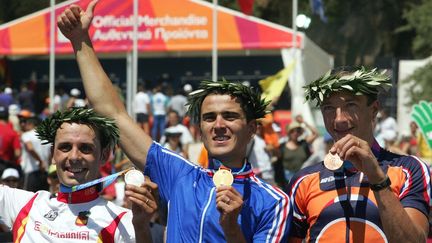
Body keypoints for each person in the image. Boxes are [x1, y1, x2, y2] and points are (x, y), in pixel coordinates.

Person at [57, 1, 291, 241]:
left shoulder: (274, 202)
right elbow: (112, 113)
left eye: (230, 116)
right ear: (200, 130)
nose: (219, 125)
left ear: (252, 128)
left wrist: (231, 229)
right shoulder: (179, 174)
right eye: (209, 118)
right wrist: (79, 40)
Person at [288, 66, 431, 242]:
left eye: (351, 105)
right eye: (329, 108)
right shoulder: (303, 180)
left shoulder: (410, 169)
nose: (339, 118)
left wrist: (378, 179)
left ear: (374, 110)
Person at [0, 107, 157, 242]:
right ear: (53, 154)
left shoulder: (123, 220)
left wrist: (141, 228)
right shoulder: (24, 204)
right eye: (65, 147)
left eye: (86, 148)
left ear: (103, 156)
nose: (74, 157)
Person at [18, 110, 51, 192]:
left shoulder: (26, 135)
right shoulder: (46, 137)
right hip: (45, 172)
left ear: (30, 124)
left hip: (31, 171)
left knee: (28, 198)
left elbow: (30, 148)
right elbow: (51, 153)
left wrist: (40, 161)